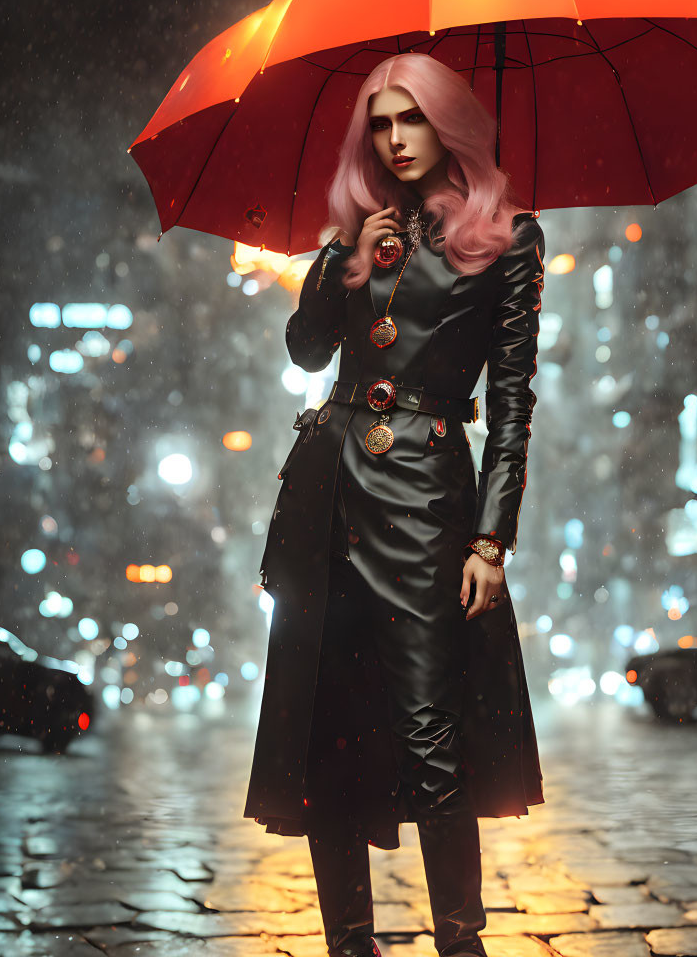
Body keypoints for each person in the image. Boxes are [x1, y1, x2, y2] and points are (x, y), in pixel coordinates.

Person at [243, 51, 546, 957]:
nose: (394, 139)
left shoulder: (510, 236)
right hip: (331, 489)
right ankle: (350, 945)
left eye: (410, 119)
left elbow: (513, 399)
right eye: (379, 123)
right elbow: (305, 353)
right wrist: (337, 262)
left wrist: (492, 541)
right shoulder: (359, 237)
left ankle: (461, 941)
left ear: (449, 123)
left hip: (427, 500)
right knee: (330, 735)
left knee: (429, 732)